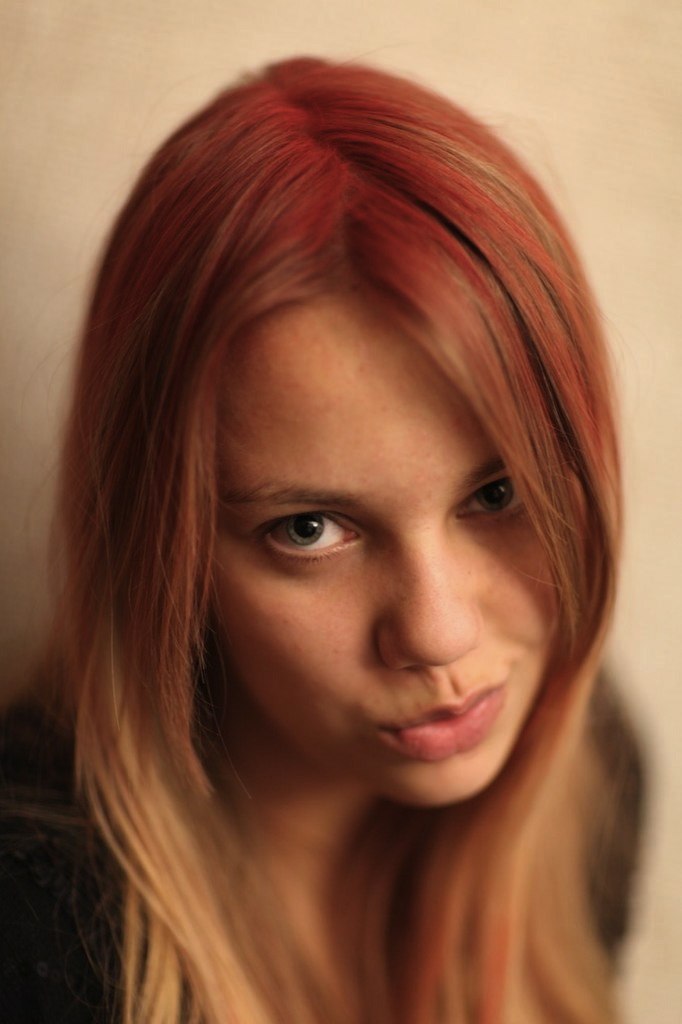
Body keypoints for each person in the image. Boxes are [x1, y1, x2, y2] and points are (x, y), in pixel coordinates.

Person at [0, 56, 644, 1024]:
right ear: (164, 550)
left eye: (498, 493)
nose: (436, 634)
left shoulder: (592, 773)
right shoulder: (30, 939)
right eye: (308, 529)